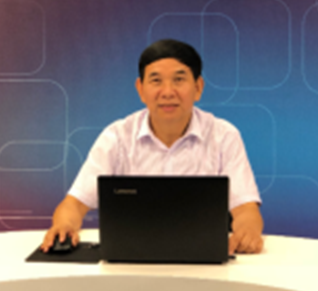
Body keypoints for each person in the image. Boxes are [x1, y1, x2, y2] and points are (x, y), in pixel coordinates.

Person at [41, 39, 264, 254]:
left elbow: (246, 208)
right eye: (156, 81)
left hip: (204, 263)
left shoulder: (223, 136)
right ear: (140, 89)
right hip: (131, 260)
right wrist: (64, 226)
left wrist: (248, 232)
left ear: (198, 87)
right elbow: (74, 204)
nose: (167, 92)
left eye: (179, 80)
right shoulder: (117, 137)